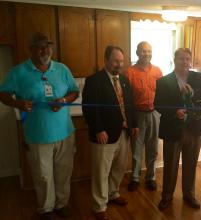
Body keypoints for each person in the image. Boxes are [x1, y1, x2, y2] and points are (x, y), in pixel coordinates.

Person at [0, 33, 79, 220]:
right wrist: (19, 104)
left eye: (48, 46)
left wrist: (64, 100)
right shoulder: (18, 72)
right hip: (37, 136)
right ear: (31, 49)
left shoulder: (62, 69)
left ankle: (62, 204)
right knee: (43, 176)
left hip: (65, 132)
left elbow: (74, 91)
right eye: (40, 47)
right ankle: (46, 209)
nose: (45, 50)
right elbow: (3, 94)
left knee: (63, 172)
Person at [82, 46, 139, 220]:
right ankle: (99, 206)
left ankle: (113, 193)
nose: (119, 64)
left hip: (124, 132)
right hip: (104, 135)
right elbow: (89, 109)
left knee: (119, 167)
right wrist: (98, 129)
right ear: (106, 60)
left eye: (121, 61)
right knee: (101, 171)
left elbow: (130, 104)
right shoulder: (94, 81)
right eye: (115, 61)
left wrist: (134, 124)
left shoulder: (123, 79)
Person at [154, 48, 201, 210]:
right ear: (175, 60)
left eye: (188, 59)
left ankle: (189, 195)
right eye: (181, 59)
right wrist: (174, 112)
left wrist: (193, 93)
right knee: (170, 166)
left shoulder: (198, 77)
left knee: (191, 164)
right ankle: (166, 196)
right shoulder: (163, 81)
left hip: (194, 129)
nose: (185, 62)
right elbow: (158, 104)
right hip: (173, 130)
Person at [125, 41, 163, 192]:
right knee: (136, 149)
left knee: (153, 148)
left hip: (154, 114)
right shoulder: (129, 72)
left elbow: (162, 94)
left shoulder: (157, 71)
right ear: (137, 53)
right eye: (143, 51)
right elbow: (127, 99)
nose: (146, 54)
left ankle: (150, 177)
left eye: (149, 51)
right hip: (137, 115)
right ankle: (135, 178)